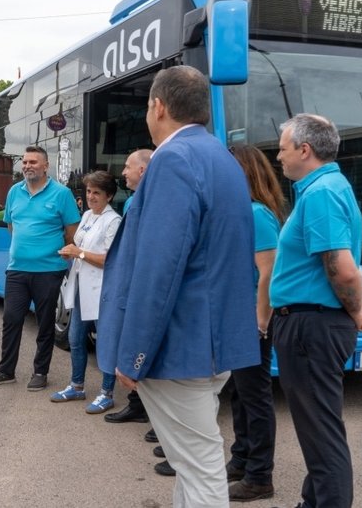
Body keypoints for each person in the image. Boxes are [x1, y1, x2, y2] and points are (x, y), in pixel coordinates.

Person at [97, 66, 259, 507]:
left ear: (158, 106)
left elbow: (158, 269)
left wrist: (133, 355)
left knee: (201, 467)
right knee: (193, 464)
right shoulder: (220, 157)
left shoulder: (172, 160)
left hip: (179, 348)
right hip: (211, 341)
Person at [270, 114, 362, 508]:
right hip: (312, 323)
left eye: (283, 148)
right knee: (317, 430)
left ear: (305, 150)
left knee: (321, 433)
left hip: (310, 327)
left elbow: (341, 269)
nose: (278, 156)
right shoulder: (326, 188)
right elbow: (341, 272)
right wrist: (357, 307)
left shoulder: (320, 192)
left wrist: (355, 312)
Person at [0, 145, 80, 391]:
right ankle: (6, 370)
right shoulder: (14, 192)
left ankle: (40, 371)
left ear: (46, 166)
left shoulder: (61, 194)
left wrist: (53, 254)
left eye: (33, 162)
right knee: (11, 319)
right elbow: (11, 226)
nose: (27, 166)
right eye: (24, 162)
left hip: (48, 270)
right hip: (17, 270)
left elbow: (71, 233)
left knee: (45, 322)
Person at [224, 145, 287, 502]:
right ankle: (242, 457)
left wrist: (261, 319)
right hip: (239, 315)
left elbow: (268, 273)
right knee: (240, 393)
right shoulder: (242, 210)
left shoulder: (257, 214)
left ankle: (260, 475)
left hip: (252, 318)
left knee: (256, 395)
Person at [50, 170, 121, 413]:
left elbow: (109, 259)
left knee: (105, 342)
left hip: (101, 290)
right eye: (89, 191)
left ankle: (106, 393)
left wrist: (77, 253)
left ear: (109, 196)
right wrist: (70, 250)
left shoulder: (114, 221)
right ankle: (77, 386)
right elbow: (80, 245)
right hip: (81, 287)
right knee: (75, 339)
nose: (91, 196)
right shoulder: (88, 215)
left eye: (97, 193)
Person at [103, 148, 153, 426]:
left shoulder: (150, 200)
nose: (123, 172)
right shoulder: (134, 200)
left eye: (127, 167)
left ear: (143, 171)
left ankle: (148, 408)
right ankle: (137, 405)